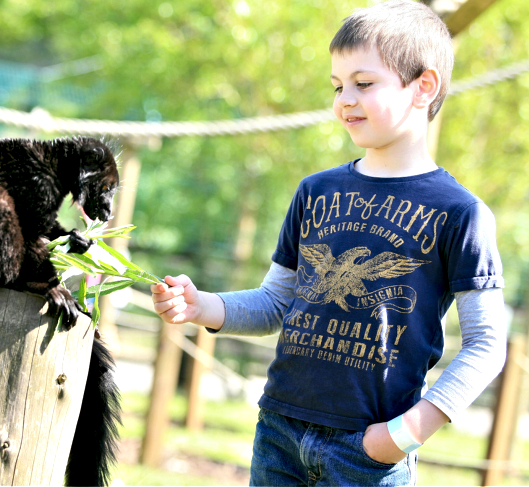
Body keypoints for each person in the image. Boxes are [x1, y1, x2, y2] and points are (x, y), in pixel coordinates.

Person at [150, 1, 507, 485]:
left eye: (364, 83)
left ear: (423, 87)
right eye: (338, 86)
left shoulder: (460, 212)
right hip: (279, 431)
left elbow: (486, 345)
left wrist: (402, 435)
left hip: (369, 450)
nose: (345, 100)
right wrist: (201, 306)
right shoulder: (315, 192)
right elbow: (278, 302)